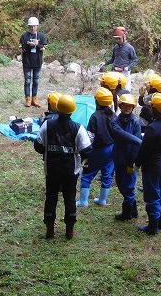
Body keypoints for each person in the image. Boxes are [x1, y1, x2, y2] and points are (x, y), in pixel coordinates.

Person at [34, 94, 92, 239]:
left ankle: (50, 230)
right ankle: (69, 231)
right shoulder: (77, 128)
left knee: (51, 198)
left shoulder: (47, 125)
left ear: (57, 109)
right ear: (73, 111)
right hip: (70, 172)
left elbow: (38, 146)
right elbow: (86, 150)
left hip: (51, 170)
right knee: (70, 198)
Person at [135, 93, 161, 235]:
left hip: (152, 167)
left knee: (152, 196)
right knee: (160, 191)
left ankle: (153, 226)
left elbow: (144, 150)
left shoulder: (152, 128)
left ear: (155, 110)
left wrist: (137, 164)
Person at [106, 93, 142, 221]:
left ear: (133, 107)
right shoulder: (115, 121)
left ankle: (127, 213)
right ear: (120, 106)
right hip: (118, 158)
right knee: (121, 184)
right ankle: (133, 210)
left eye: (130, 106)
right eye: (125, 106)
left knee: (129, 185)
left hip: (130, 161)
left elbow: (137, 144)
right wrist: (138, 141)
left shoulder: (135, 122)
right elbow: (119, 134)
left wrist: (132, 161)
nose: (127, 108)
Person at [77, 88, 115, 208]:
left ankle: (83, 201)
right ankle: (102, 200)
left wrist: (86, 153)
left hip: (99, 149)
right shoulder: (112, 114)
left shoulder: (95, 116)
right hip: (112, 148)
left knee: (88, 172)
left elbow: (90, 137)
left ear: (96, 101)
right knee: (107, 173)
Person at [20, 17, 48, 108]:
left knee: (36, 81)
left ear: (37, 26)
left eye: (34, 26)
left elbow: (43, 48)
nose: (33, 28)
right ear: (29, 26)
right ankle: (28, 99)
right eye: (31, 26)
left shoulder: (41, 36)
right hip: (27, 62)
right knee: (27, 81)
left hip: (37, 62)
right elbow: (22, 48)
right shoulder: (24, 36)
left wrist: (37, 44)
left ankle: (34, 99)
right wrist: (28, 45)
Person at [100, 27, 138, 91]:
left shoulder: (130, 48)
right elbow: (113, 59)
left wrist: (128, 67)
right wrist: (105, 63)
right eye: (116, 39)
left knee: (126, 90)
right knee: (114, 90)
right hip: (115, 71)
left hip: (124, 73)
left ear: (124, 37)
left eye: (119, 38)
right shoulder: (116, 47)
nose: (118, 40)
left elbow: (135, 60)